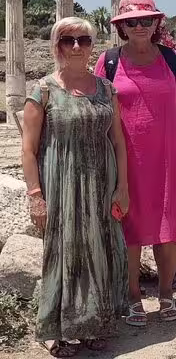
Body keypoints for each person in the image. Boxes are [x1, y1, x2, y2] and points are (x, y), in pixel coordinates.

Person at [94, 0, 176, 326]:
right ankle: (133, 297)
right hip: (125, 160)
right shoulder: (108, 61)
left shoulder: (172, 60)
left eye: (145, 20)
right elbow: (98, 112)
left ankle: (167, 294)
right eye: (131, 21)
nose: (139, 26)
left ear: (156, 23)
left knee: (167, 227)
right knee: (129, 227)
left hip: (169, 158)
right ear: (122, 27)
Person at [22, 18, 128, 357]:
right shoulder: (44, 90)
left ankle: (95, 321)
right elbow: (28, 149)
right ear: (58, 46)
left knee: (100, 248)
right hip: (61, 183)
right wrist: (36, 195)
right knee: (65, 252)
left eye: (83, 39)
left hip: (101, 180)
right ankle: (62, 329)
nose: (77, 46)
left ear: (91, 44)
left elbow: (119, 141)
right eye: (69, 40)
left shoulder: (106, 88)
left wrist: (122, 187)